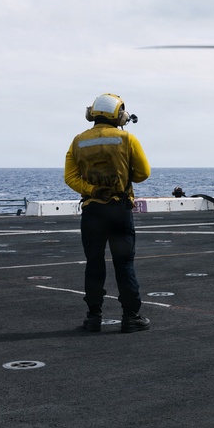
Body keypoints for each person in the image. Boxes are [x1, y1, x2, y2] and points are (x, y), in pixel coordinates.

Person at [64, 93, 152, 333]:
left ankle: (93, 317)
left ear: (91, 114)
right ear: (119, 115)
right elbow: (143, 173)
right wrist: (122, 175)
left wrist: (92, 189)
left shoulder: (78, 141)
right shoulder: (127, 139)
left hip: (92, 211)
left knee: (94, 263)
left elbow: (70, 177)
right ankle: (131, 317)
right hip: (119, 210)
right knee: (124, 264)